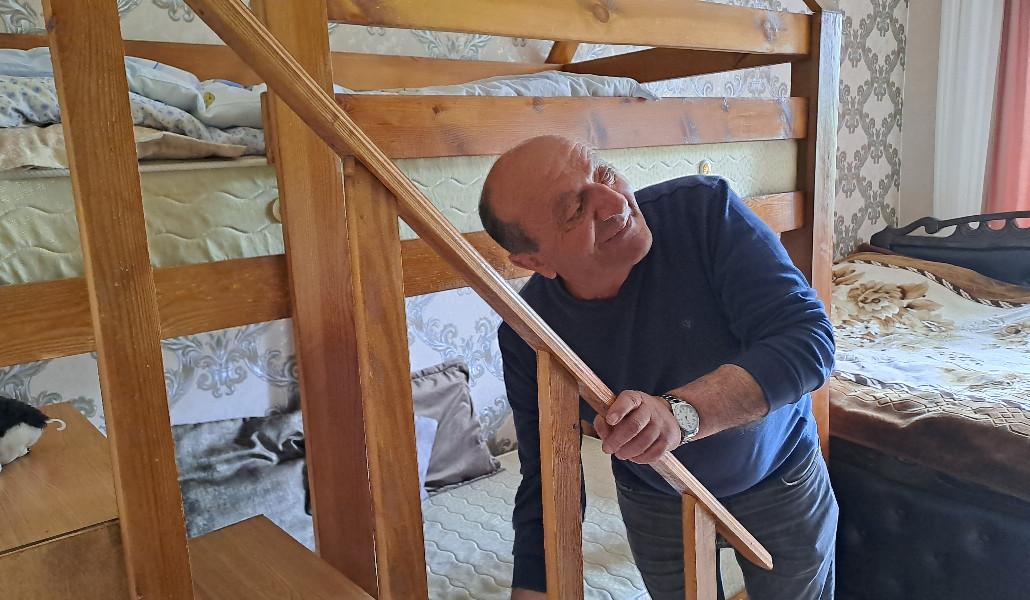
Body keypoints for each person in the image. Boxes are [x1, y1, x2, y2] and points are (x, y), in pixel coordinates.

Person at [479, 135, 838, 600]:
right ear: (535, 261)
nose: (615, 203)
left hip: (780, 472)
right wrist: (534, 585)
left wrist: (679, 414)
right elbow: (547, 477)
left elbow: (808, 340)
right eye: (575, 211)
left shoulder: (703, 210)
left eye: (604, 173)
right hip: (657, 498)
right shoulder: (531, 334)